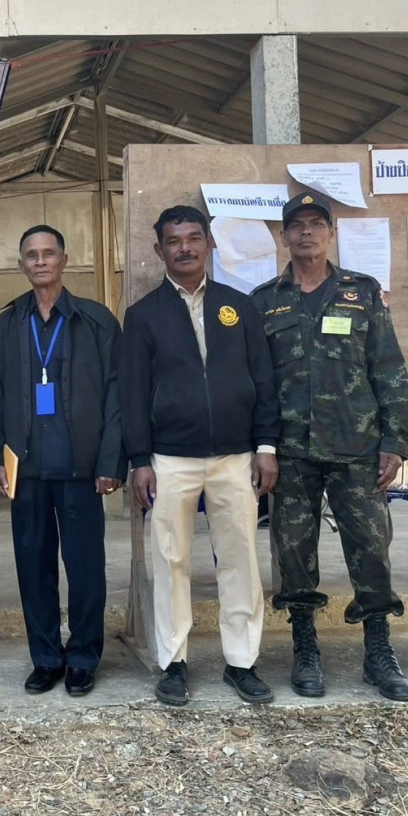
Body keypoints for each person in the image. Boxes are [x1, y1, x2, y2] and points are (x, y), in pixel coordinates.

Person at [251, 189, 408, 702]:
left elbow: (388, 371)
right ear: (284, 236)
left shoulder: (362, 292)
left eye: (315, 223)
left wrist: (395, 441)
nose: (306, 231)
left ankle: (379, 653)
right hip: (292, 454)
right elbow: (255, 384)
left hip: (357, 449)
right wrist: (263, 448)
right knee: (293, 553)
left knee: (371, 549)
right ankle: (305, 649)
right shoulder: (264, 301)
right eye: (296, 224)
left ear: (331, 232)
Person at [120, 206, 280, 705]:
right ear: (159, 250)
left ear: (208, 244)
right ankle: (174, 663)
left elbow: (264, 381)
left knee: (239, 559)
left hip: (236, 457)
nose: (185, 247)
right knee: (170, 561)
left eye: (193, 238)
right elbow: (132, 394)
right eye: (174, 240)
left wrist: (266, 446)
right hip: (170, 459)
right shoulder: (143, 316)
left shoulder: (239, 307)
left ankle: (242, 662)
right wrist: (139, 459)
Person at [0, 225, 125, 698]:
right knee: (33, 565)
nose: (40, 261)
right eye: (31, 255)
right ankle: (45, 657)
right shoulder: (6, 325)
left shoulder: (96, 320)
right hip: (26, 468)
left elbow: (115, 398)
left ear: (65, 259)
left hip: (81, 468)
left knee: (85, 568)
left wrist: (111, 461)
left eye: (48, 253)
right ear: (21, 264)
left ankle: (83, 657)